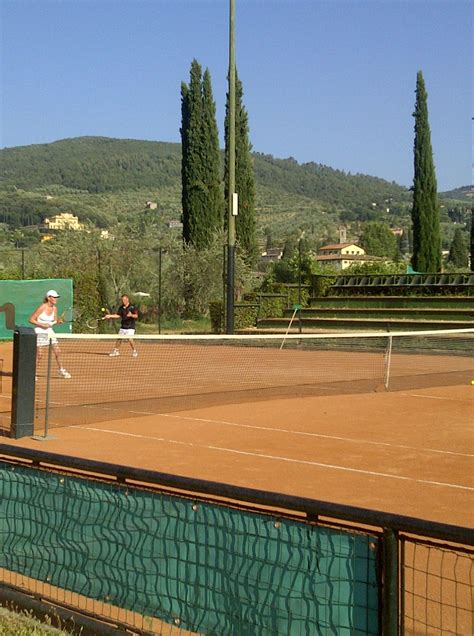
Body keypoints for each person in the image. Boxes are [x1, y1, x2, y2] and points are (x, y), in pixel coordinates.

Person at [29, 289, 71, 379]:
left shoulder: (55, 308)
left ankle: (61, 370)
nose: (56, 299)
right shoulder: (42, 307)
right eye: (54, 297)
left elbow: (55, 320)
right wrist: (42, 324)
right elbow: (31, 319)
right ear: (49, 298)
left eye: (57, 297)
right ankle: (33, 373)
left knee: (58, 352)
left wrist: (59, 321)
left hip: (50, 332)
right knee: (39, 354)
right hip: (40, 332)